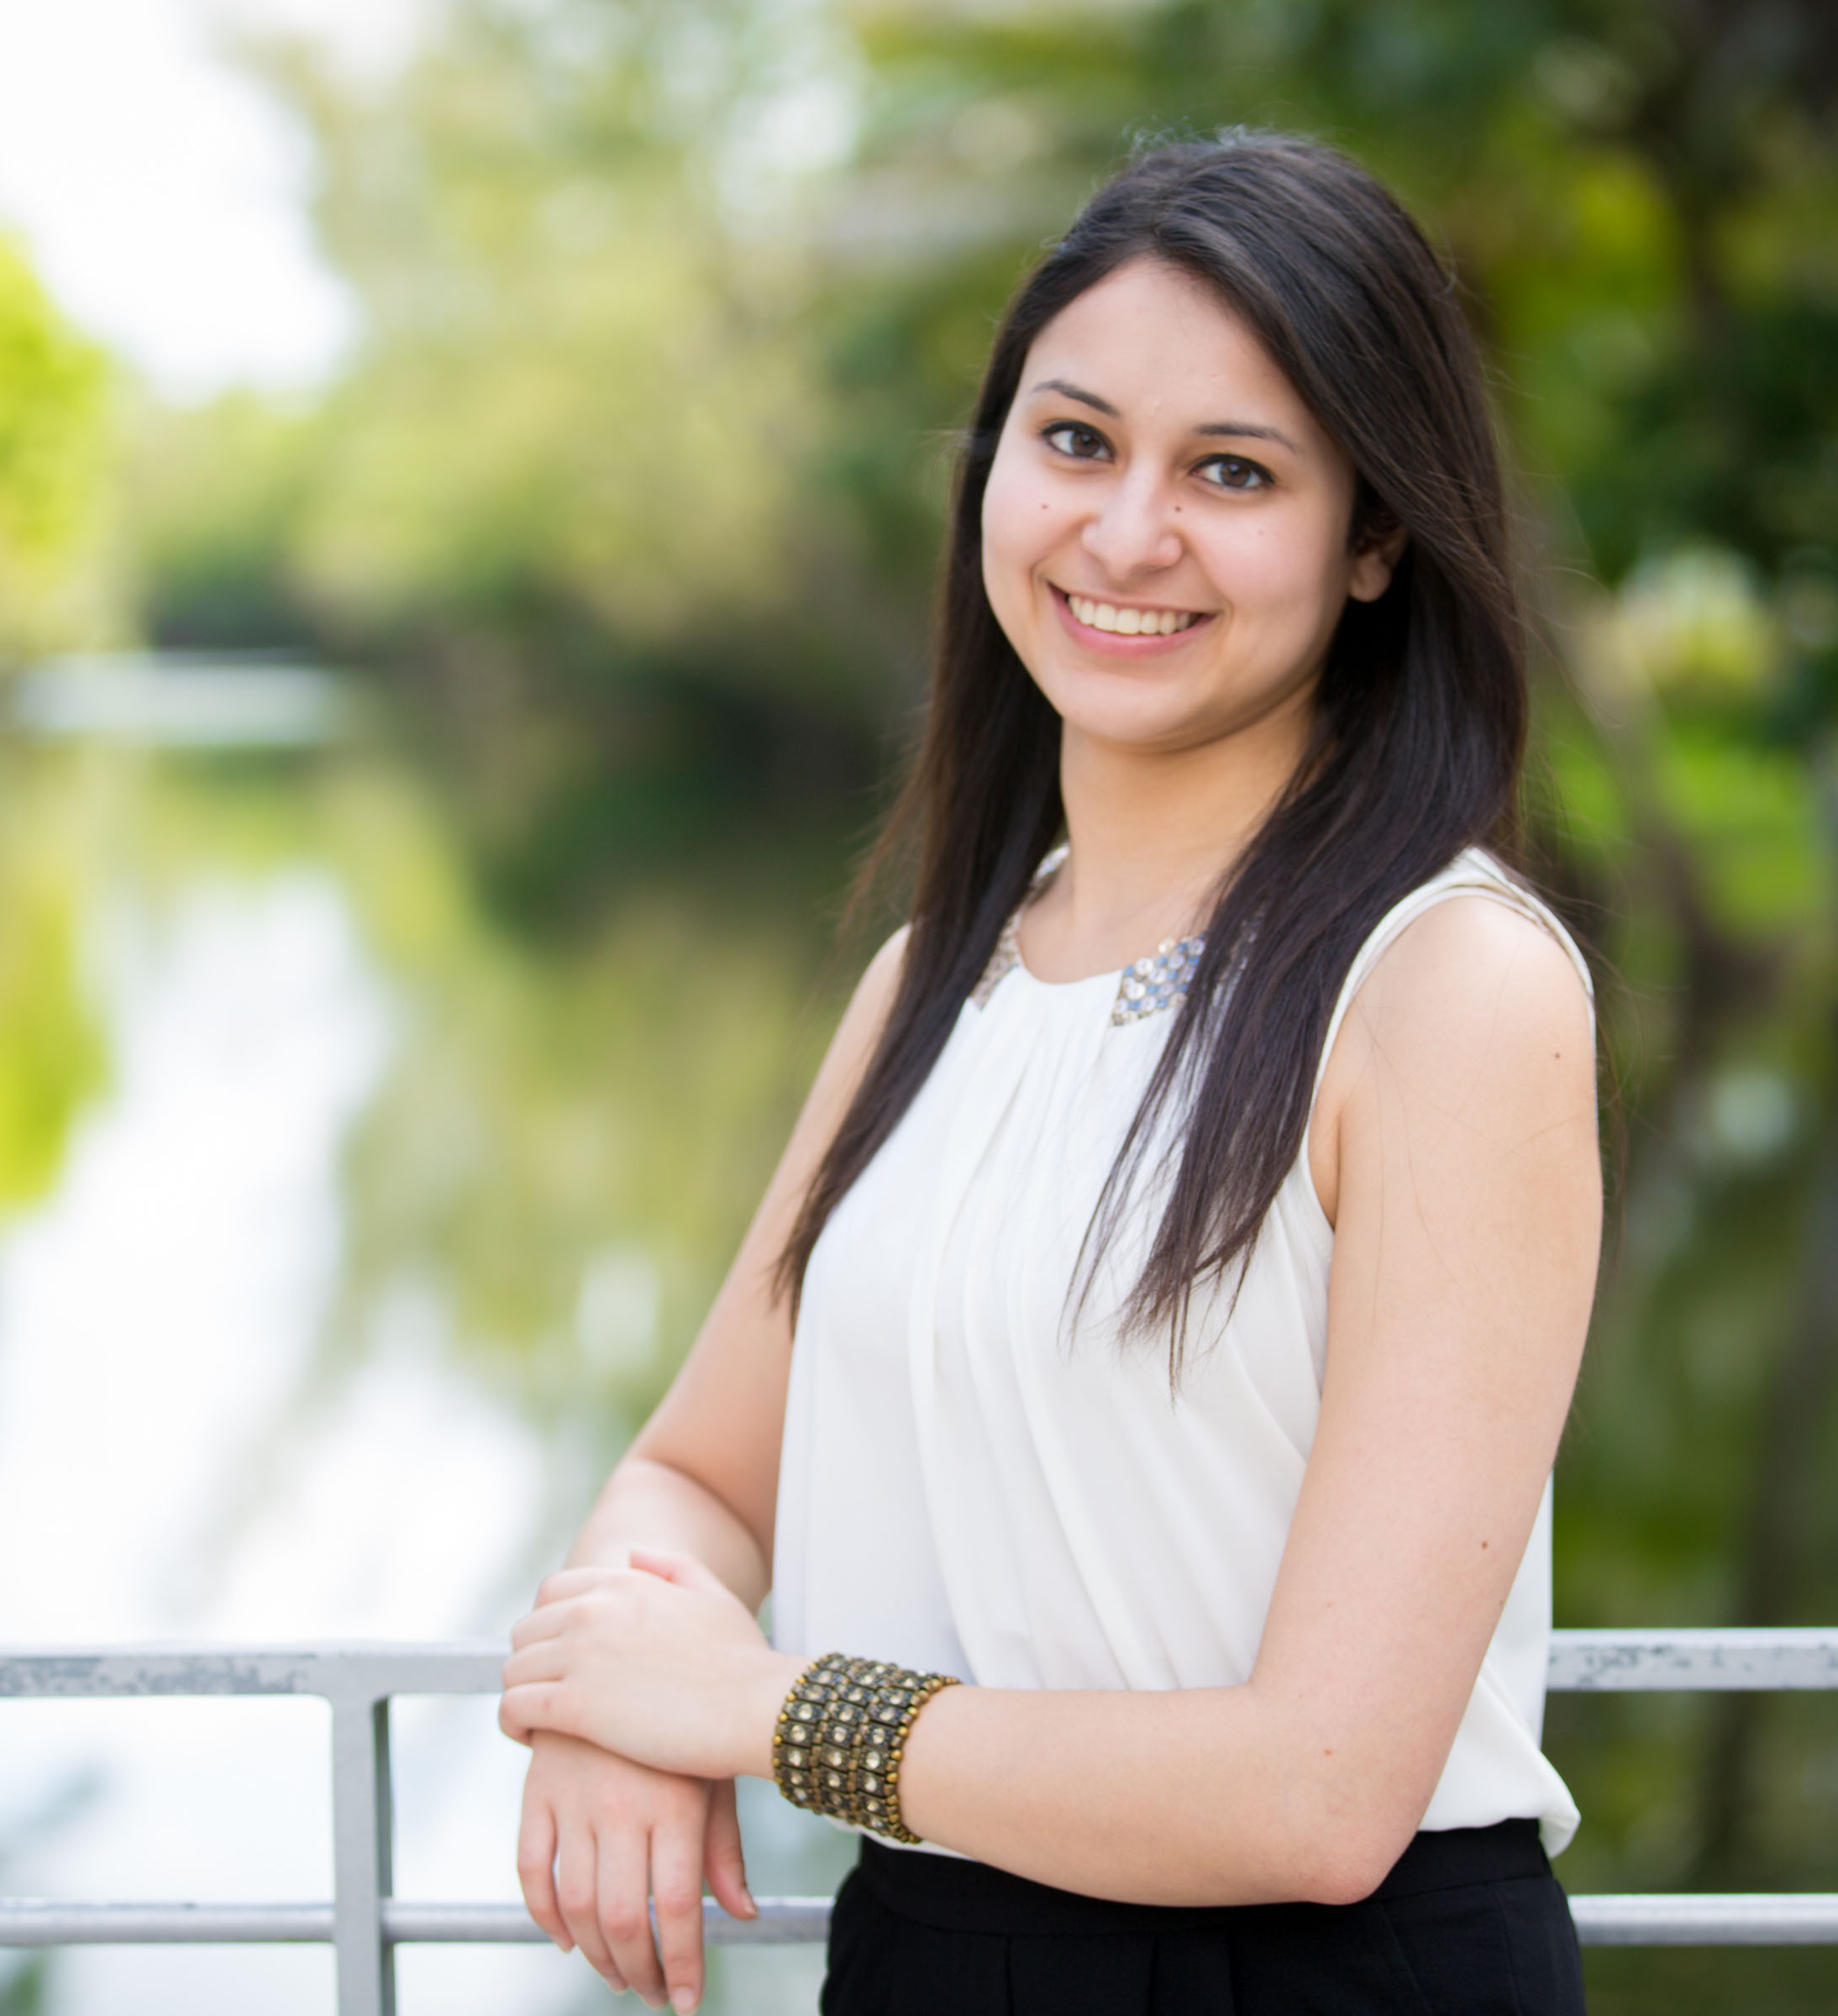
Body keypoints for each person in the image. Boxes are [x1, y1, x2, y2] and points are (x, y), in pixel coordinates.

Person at [499, 130, 1600, 2016]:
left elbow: (1318, 1794)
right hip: (932, 1960)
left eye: (1230, 473)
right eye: (1073, 440)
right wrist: (613, 1693)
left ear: (1371, 542)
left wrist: (757, 1711)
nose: (1122, 532)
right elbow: (693, 1473)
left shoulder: (1447, 986)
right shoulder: (939, 977)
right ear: (992, 467)